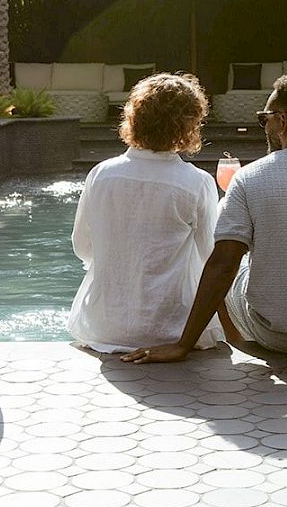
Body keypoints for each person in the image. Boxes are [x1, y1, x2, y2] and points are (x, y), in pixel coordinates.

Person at [122, 73, 287, 364]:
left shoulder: (249, 180)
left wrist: (182, 346)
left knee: (220, 262)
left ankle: (237, 345)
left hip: (278, 338)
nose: (264, 126)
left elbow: (222, 267)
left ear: (282, 121)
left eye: (264, 119)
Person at [68, 72, 224, 353]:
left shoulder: (101, 174)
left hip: (103, 327)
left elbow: (82, 248)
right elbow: (210, 259)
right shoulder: (196, 183)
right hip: (171, 330)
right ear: (189, 126)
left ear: (134, 118)